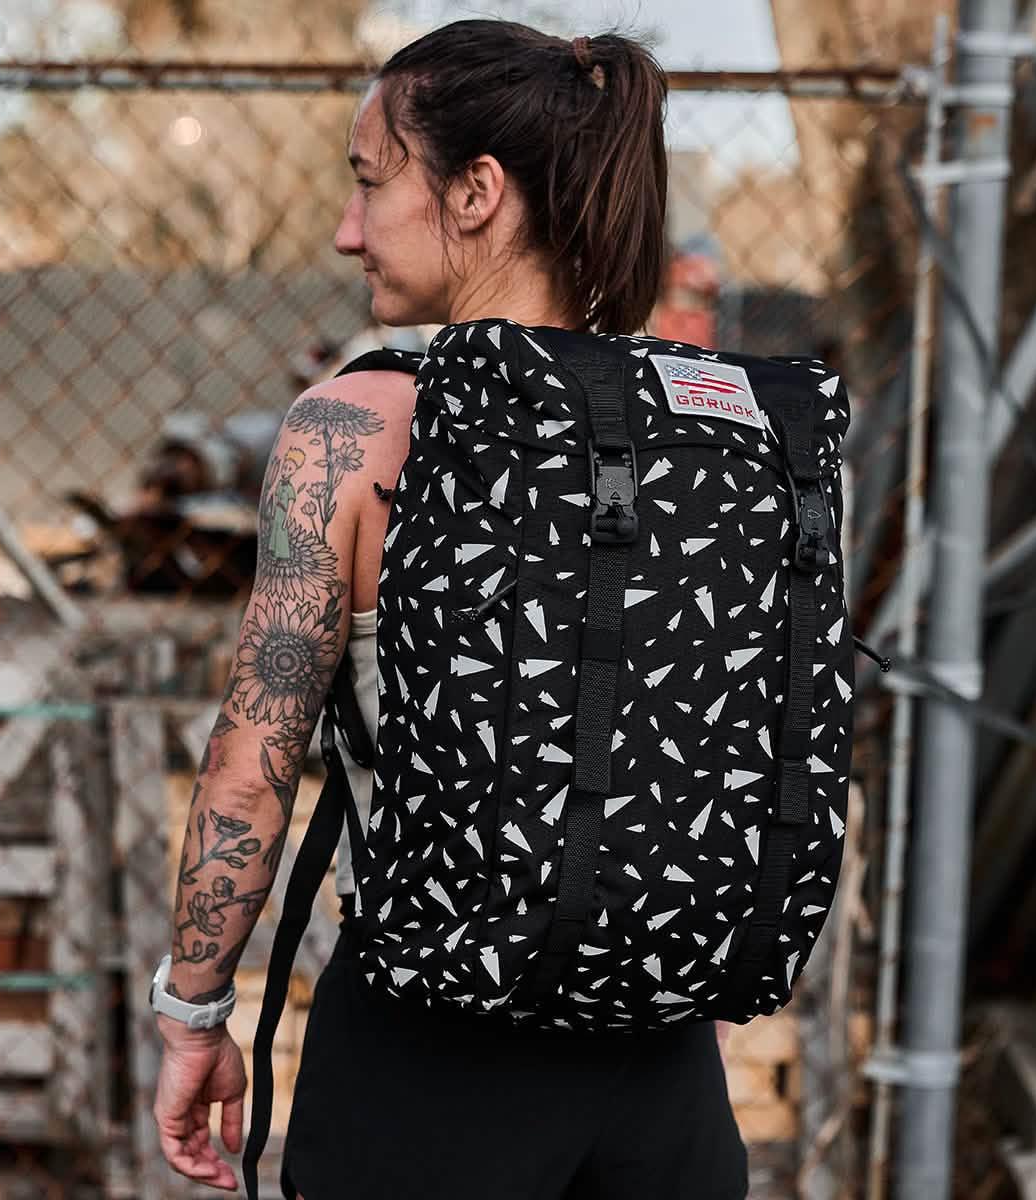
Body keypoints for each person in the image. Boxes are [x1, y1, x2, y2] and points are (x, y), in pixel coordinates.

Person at [151, 19, 748, 1199]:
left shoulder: (354, 429)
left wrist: (193, 1009)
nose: (345, 229)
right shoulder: (711, 422)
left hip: (427, 1052)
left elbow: (255, 755)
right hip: (663, 1068)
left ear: (476, 193)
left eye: (371, 183)